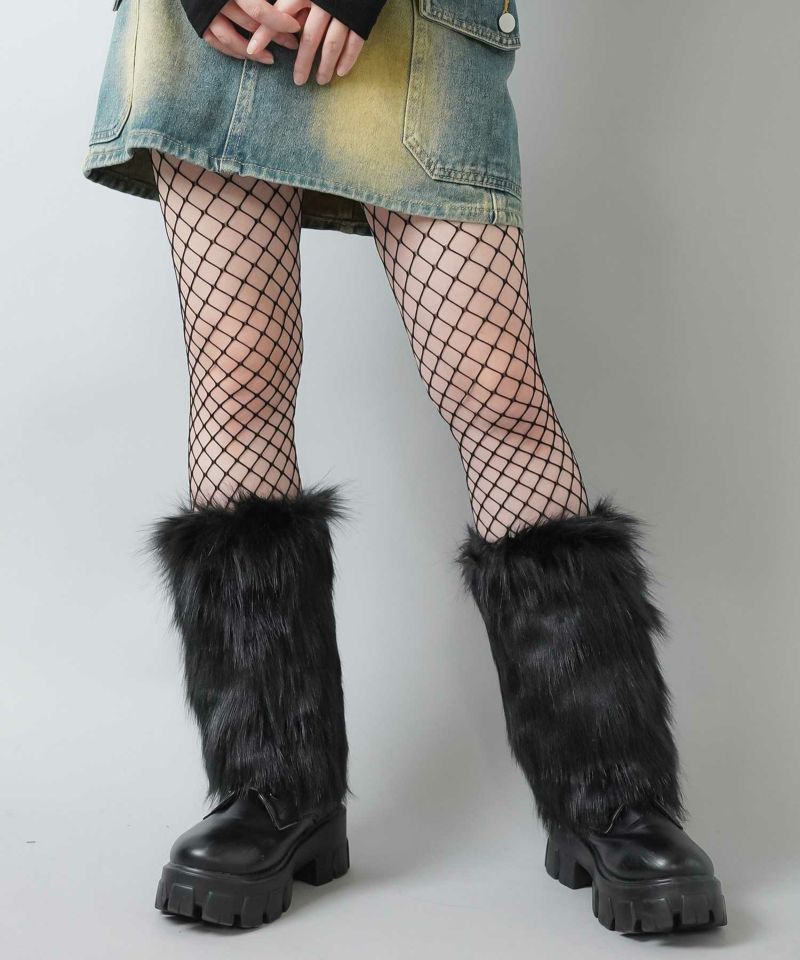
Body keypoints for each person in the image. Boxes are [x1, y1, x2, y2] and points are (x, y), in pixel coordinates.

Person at [84, 0, 726, 935]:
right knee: (238, 372)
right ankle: (270, 786)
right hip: (217, 34)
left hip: (418, 24)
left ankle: (611, 792)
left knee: (494, 387)